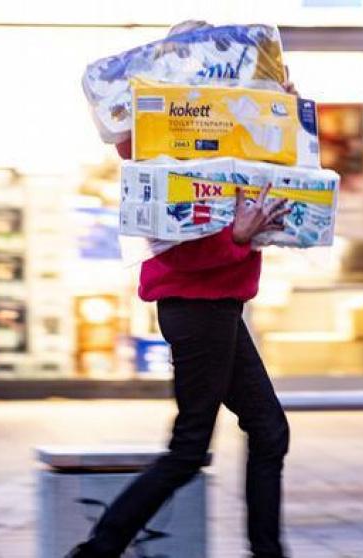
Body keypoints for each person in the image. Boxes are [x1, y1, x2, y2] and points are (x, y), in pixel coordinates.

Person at [67, 22, 296, 558]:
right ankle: (97, 550)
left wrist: (280, 108)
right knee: (191, 448)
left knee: (268, 431)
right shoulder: (156, 149)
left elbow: (284, 174)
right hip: (197, 307)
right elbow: (173, 246)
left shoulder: (226, 134)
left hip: (218, 307)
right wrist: (236, 236)